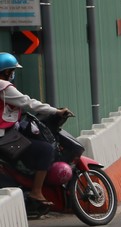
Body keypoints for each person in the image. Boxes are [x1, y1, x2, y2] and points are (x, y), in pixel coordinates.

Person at [0, 53, 73, 208]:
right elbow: (28, 103)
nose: (13, 74)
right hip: (4, 138)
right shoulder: (4, 86)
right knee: (45, 149)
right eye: (12, 71)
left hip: (7, 134)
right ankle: (36, 191)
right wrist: (55, 111)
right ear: (6, 72)